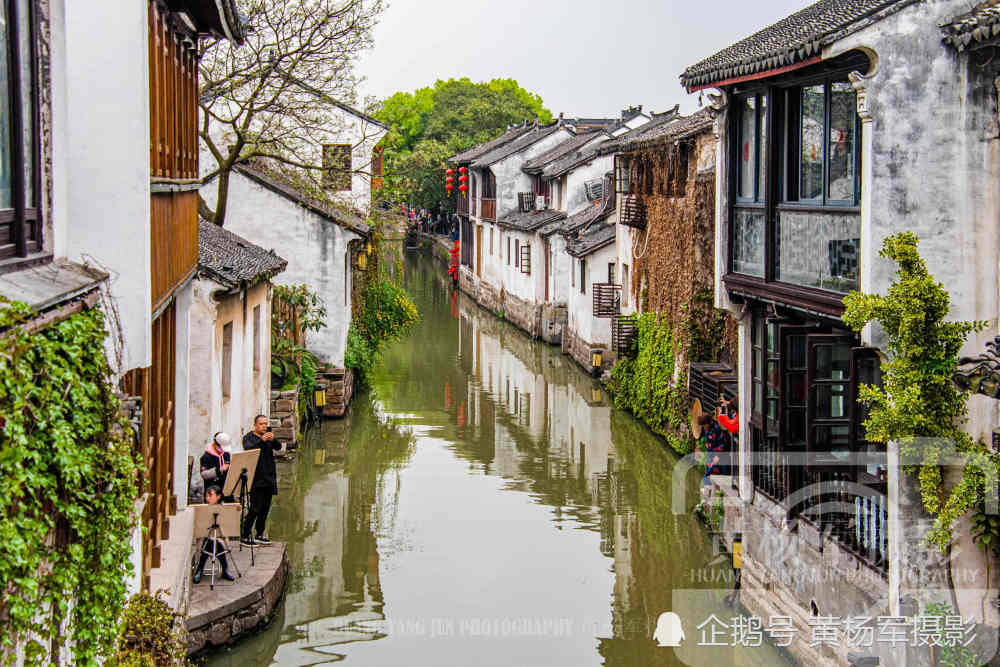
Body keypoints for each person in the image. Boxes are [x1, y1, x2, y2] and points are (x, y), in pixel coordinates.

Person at [241, 415, 281, 546]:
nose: (264, 426)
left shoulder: (269, 437)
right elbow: (249, 449)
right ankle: (245, 535)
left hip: (269, 477)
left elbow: (279, 447)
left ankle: (259, 533)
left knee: (265, 508)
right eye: (261, 424)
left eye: (265, 424)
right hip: (256, 479)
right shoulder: (249, 438)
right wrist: (262, 441)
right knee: (255, 508)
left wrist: (273, 439)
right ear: (255, 425)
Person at [193, 485, 235, 583]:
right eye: (206, 496)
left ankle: (201, 569)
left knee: (217, 543)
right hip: (204, 538)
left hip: (220, 538)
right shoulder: (202, 509)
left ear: (218, 496)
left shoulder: (224, 509)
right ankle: (223, 569)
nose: (207, 498)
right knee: (209, 543)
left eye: (210, 496)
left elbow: (228, 527)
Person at [199, 432, 233, 502]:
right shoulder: (206, 457)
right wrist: (219, 470)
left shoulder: (226, 454)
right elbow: (203, 474)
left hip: (225, 488)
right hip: (212, 489)